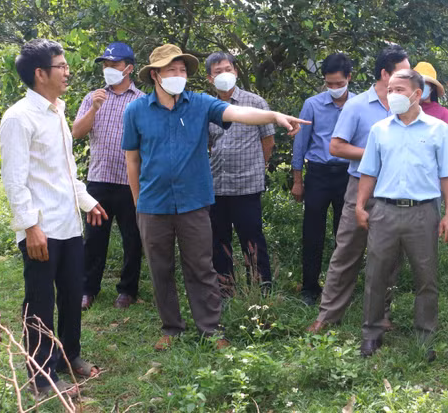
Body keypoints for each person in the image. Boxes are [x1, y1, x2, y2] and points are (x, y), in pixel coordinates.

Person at [122, 44, 307, 351]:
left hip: (194, 202)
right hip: (153, 204)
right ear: (155, 75)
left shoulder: (200, 104)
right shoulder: (136, 110)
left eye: (182, 70)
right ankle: (171, 328)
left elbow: (239, 112)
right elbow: (132, 160)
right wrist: (138, 203)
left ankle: (210, 328)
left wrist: (273, 114)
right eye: (171, 70)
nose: (178, 75)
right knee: (160, 268)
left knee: (201, 267)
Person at [0, 38, 107, 399]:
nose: (67, 72)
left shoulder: (57, 110)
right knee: (41, 300)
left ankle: (69, 355)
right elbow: (15, 179)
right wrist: (30, 226)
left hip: (68, 223)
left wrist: (87, 202)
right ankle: (41, 377)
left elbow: (65, 171)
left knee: (73, 292)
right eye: (60, 66)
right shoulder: (18, 117)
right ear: (39, 73)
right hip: (41, 228)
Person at [355, 69, 448, 360]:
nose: (393, 95)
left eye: (400, 90)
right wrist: (360, 204)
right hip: (385, 211)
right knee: (376, 275)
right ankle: (371, 334)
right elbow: (369, 171)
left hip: (422, 213)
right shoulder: (380, 130)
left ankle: (425, 337)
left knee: (425, 278)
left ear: (417, 94)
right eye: (390, 89)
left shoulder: (437, 129)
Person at [306, 45, 411, 334]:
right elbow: (336, 146)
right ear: (385, 74)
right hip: (359, 188)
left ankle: (381, 315)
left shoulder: (410, 105)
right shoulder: (357, 106)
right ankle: (327, 316)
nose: (410, 76)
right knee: (346, 252)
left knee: (389, 256)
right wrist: (373, 153)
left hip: (397, 190)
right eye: (403, 71)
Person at [72, 42, 145, 311]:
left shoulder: (142, 101)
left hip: (131, 182)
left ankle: (127, 291)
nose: (108, 70)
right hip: (99, 180)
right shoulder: (93, 97)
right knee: (94, 239)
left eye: (113, 65)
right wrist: (94, 109)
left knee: (132, 238)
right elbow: (76, 133)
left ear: (129, 68)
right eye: (105, 65)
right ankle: (87, 289)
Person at [205, 52, 275, 290]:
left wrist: (258, 166)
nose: (224, 74)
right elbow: (207, 144)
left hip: (247, 185)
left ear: (235, 71)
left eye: (227, 69)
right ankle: (225, 290)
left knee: (252, 239)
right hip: (217, 186)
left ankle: (261, 289)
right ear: (209, 78)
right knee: (218, 241)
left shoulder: (255, 103)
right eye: (217, 71)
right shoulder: (207, 107)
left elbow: (268, 141)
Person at [291, 53, 355, 306]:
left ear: (349, 78)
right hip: (317, 174)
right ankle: (309, 286)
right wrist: (298, 180)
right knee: (312, 232)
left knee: (346, 233)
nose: (334, 89)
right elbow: (300, 143)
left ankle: (341, 287)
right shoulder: (313, 104)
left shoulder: (359, 105)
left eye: (339, 84)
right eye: (329, 84)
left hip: (348, 175)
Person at [414, 62, 448, 127]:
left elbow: (446, 136)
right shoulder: (405, 109)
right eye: (418, 83)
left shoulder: (442, 113)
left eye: (425, 83)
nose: (421, 87)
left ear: (432, 88)